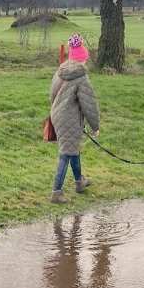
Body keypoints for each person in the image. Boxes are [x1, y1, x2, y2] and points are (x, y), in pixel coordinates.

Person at [49, 33, 100, 204]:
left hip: (57, 115)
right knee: (66, 154)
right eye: (85, 59)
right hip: (69, 119)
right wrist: (95, 126)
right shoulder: (81, 77)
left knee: (73, 149)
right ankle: (56, 192)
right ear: (81, 59)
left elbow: (52, 95)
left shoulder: (60, 71)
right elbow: (89, 104)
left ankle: (79, 182)